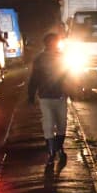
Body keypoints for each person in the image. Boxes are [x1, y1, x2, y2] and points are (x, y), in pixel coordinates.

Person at [28, 32, 71, 166]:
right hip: (47, 97)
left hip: (58, 96)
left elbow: (69, 77)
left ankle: (56, 149)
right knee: (51, 125)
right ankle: (53, 152)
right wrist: (31, 95)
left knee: (59, 125)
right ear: (47, 44)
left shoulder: (62, 58)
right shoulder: (40, 59)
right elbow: (34, 78)